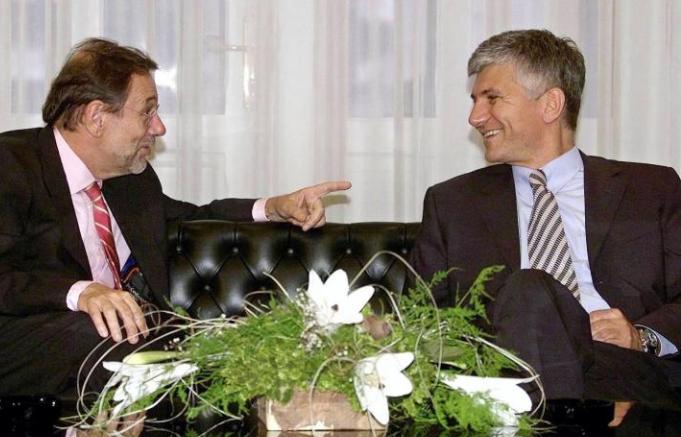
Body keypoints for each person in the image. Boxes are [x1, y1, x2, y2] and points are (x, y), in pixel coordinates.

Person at [0, 38, 350, 397]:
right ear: (96, 117)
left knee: (231, 346)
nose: (159, 128)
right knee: (119, 343)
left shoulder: (130, 181)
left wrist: (274, 206)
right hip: (25, 341)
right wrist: (81, 292)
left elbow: (192, 217)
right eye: (147, 112)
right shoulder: (11, 166)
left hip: (112, 344)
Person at [410, 29, 681, 414]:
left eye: (492, 98)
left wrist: (643, 337)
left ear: (551, 104)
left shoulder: (651, 189)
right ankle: (562, 427)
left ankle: (540, 431)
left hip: (627, 375)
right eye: (475, 101)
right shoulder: (452, 204)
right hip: (505, 375)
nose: (475, 117)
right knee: (530, 289)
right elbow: (420, 321)